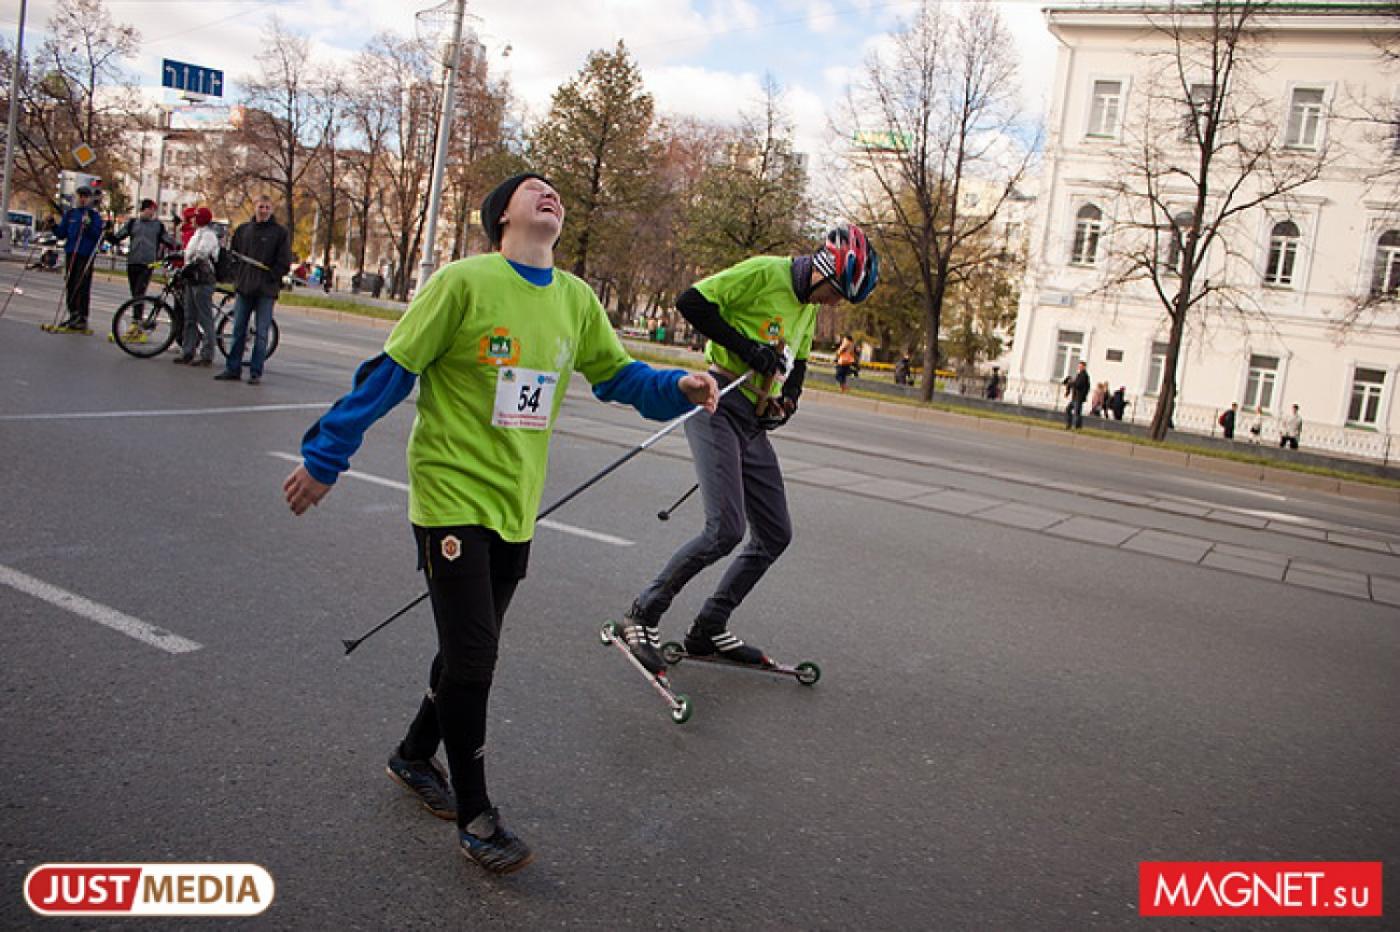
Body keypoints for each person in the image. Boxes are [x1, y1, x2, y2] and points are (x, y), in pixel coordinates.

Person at [281, 172, 717, 875]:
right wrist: (327, 455)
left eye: (556, 189)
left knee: (465, 649)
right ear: (502, 216)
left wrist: (677, 385)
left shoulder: (575, 299)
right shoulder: (463, 282)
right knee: (476, 656)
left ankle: (413, 755)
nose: (550, 193)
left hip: (516, 506)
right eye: (533, 188)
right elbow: (391, 372)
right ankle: (476, 815)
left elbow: (618, 376)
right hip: (451, 496)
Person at [615, 225, 879, 675]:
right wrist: (748, 349)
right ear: (824, 271)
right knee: (725, 531)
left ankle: (709, 627)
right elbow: (690, 302)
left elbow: (794, 362)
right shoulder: (764, 273)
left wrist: (789, 399)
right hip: (717, 399)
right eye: (837, 293)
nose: (835, 304)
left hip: (753, 420)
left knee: (775, 533)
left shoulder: (810, 306)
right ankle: (641, 615)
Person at [216, 195, 293, 385]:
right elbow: (234, 257)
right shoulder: (243, 230)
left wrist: (271, 276)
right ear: (254, 208)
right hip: (244, 288)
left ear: (271, 209)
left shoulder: (280, 233)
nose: (263, 210)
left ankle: (255, 371)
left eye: (267, 207)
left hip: (265, 291)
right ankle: (232, 368)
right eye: (260, 207)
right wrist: (237, 276)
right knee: (238, 330)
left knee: (261, 333)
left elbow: (284, 262)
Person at [52, 186, 105, 333]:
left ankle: (82, 317)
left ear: (89, 199)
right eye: (80, 196)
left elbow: (98, 236)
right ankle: (73, 313)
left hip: (85, 255)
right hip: (71, 252)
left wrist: (88, 226)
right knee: (70, 282)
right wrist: (52, 225)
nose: (82, 199)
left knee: (82, 285)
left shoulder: (94, 216)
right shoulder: (71, 214)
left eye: (85, 196)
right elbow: (61, 234)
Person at [174, 207, 220, 367]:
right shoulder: (197, 233)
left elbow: (201, 254)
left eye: (195, 218)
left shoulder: (208, 235)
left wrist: (189, 262)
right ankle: (188, 351)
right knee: (190, 317)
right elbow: (189, 252)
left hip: (203, 280)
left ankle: (207, 354)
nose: (192, 220)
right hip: (192, 280)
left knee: (204, 318)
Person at [107, 199, 179, 300]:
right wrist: (108, 233)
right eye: (151, 209)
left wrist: (177, 236)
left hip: (148, 265)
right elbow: (117, 237)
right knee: (135, 294)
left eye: (154, 210)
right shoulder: (132, 223)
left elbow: (170, 242)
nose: (153, 212)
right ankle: (137, 314)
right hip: (132, 262)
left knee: (139, 292)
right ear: (144, 209)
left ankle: (137, 315)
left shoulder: (158, 226)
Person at [1065, 361, 1090, 429]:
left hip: (1078, 397)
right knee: (1069, 410)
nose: (1079, 367)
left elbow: (1078, 385)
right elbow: (1076, 384)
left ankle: (1076, 426)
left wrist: (1071, 382)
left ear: (1084, 367)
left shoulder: (1084, 375)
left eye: (1081, 366)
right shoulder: (1079, 374)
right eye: (1079, 366)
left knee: (1076, 412)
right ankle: (1071, 425)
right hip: (1075, 397)